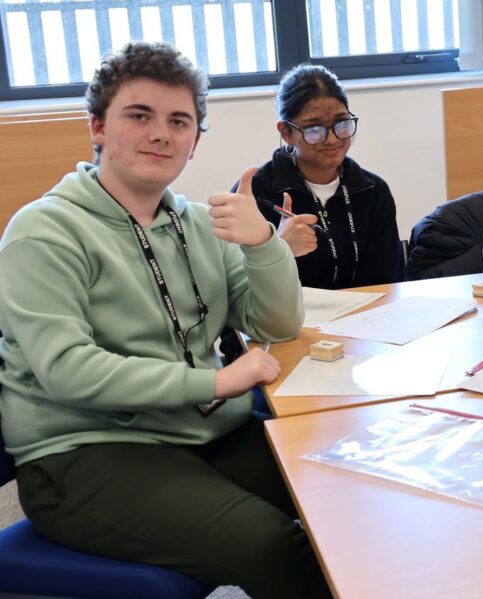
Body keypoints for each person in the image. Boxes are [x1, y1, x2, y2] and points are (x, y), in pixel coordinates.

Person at [0, 42, 330, 598]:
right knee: (271, 545)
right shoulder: (43, 231)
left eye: (179, 121)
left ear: (195, 141)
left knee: (336, 492)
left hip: (200, 430)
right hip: (83, 452)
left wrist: (262, 245)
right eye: (139, 115)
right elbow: (66, 370)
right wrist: (217, 380)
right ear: (98, 127)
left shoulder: (202, 223)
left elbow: (277, 323)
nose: (161, 133)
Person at [249, 63, 403, 289]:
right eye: (314, 129)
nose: (332, 139)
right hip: (287, 321)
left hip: (366, 318)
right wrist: (278, 250)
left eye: (341, 123)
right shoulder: (258, 193)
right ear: (286, 132)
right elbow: (238, 288)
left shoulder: (373, 191)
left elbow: (390, 281)